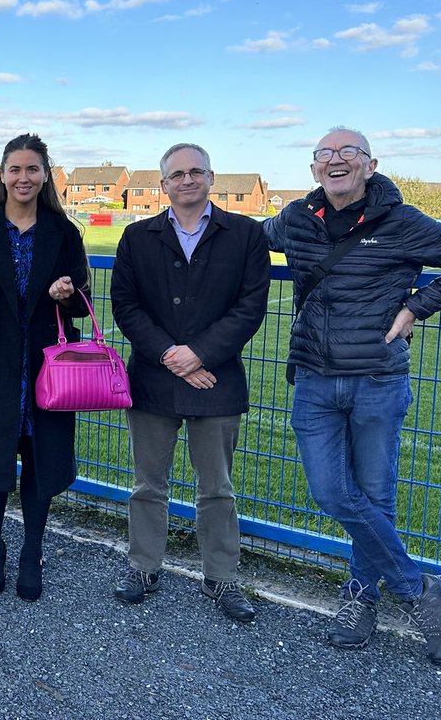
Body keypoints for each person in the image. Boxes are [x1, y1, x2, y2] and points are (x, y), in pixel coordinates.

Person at [264, 127, 441, 661]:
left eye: (349, 152)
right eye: (325, 154)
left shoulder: (402, 220)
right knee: (330, 492)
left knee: (375, 494)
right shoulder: (296, 218)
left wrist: (417, 306)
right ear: (314, 169)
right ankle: (421, 590)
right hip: (315, 380)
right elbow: (244, 243)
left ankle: (362, 596)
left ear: (370, 165)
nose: (336, 160)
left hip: (377, 379)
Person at [109, 143, 269, 622]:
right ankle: (144, 567)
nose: (186, 180)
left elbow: (250, 307)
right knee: (147, 486)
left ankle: (222, 579)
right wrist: (169, 356)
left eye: (195, 171)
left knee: (217, 488)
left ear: (211, 178)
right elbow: (126, 306)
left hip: (215, 380)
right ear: (163, 185)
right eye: (176, 174)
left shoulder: (245, 234)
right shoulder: (138, 237)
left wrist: (199, 354)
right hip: (153, 381)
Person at [0, 133, 90, 602]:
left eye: (32, 169)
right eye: (15, 169)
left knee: (40, 465)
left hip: (47, 368)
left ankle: (32, 552)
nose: (23, 177)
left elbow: (82, 303)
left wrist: (66, 295)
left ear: (46, 175)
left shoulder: (63, 232)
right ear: (1, 175)